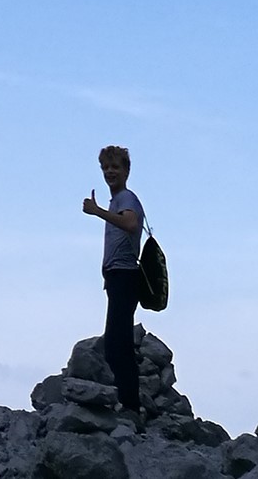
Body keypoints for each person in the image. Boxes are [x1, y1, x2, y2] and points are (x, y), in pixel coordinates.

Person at [82, 144, 145, 420]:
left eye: (115, 167)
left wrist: (97, 212)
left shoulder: (126, 198)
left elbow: (130, 224)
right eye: (106, 167)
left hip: (125, 276)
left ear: (126, 171)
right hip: (117, 277)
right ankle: (126, 401)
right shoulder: (117, 200)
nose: (110, 172)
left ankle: (129, 405)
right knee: (116, 341)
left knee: (118, 343)